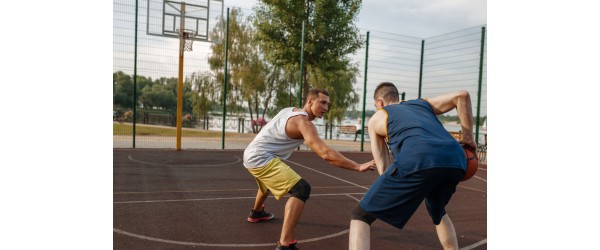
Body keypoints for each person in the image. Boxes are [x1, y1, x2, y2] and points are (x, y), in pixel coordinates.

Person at [243, 88, 376, 250]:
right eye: (323, 102)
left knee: (267, 181)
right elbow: (326, 154)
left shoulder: (289, 110)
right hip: (259, 157)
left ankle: (256, 212)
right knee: (301, 188)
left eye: (327, 104)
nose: (326, 108)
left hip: (253, 152)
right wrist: (358, 166)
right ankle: (285, 244)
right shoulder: (304, 123)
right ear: (310, 101)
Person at [349, 82, 477, 250]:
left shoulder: (377, 118)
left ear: (380, 103)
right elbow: (462, 95)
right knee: (438, 211)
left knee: (361, 216)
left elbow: (384, 168)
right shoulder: (422, 104)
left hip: (418, 157)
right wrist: (468, 137)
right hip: (456, 158)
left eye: (375, 106)